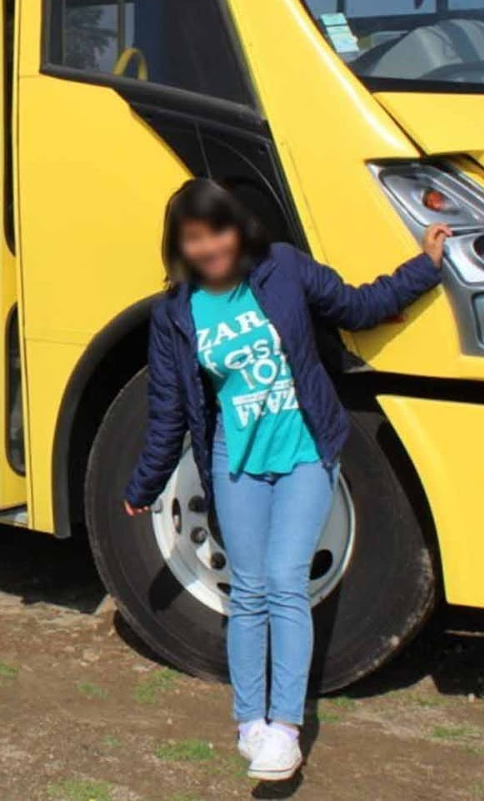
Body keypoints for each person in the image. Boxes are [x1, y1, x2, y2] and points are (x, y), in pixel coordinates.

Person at [122, 178, 449, 781]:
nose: (211, 247)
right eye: (195, 238)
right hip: (234, 461)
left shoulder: (281, 269)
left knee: (284, 583)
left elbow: (357, 306)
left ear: (237, 228)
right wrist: (144, 486)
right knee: (246, 592)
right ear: (180, 246)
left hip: (305, 452)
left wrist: (423, 267)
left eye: (218, 231)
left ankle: (286, 728)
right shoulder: (175, 312)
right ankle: (251, 724)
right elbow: (167, 409)